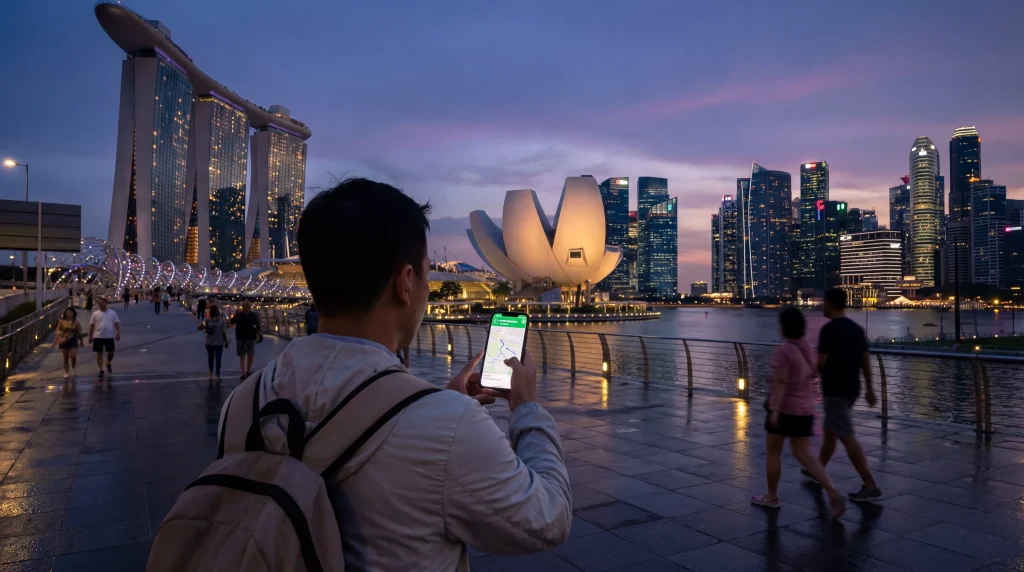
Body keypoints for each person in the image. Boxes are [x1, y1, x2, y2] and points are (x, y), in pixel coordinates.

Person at [217, 178, 571, 569]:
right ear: (405, 283)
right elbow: (548, 518)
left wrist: (442, 404)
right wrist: (527, 408)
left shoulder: (241, 405)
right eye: (424, 273)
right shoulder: (448, 428)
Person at [753, 308, 845, 518]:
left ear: (784, 327)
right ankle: (831, 490)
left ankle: (772, 497)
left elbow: (781, 382)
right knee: (804, 453)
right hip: (806, 408)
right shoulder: (809, 349)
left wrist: (775, 410)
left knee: (773, 451)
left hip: (785, 408)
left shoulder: (783, 350)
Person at [812, 288, 882, 502]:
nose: (821, 305)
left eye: (823, 302)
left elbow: (821, 363)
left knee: (845, 434)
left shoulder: (829, 330)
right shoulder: (857, 329)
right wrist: (870, 388)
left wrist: (806, 375)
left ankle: (870, 484)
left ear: (831, 303)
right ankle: (816, 470)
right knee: (830, 430)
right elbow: (865, 360)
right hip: (853, 387)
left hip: (835, 389)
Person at [88, 296, 120, 377]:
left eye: (102, 303)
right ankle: (101, 369)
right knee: (99, 353)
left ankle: (108, 362)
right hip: (98, 336)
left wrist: (117, 333)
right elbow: (91, 326)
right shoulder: (95, 314)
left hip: (109, 336)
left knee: (111, 352)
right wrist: (90, 336)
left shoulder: (112, 313)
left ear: (106, 303)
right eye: (99, 303)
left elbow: (116, 324)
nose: (100, 304)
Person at [229, 302, 260, 379]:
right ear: (250, 307)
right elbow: (258, 325)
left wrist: (236, 313)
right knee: (250, 354)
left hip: (241, 337)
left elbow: (232, 321)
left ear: (242, 308)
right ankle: (248, 370)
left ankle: (243, 372)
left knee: (242, 356)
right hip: (251, 337)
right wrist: (258, 334)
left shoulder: (239, 315)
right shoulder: (254, 315)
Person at [198, 304, 228, 381]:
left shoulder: (207, 320)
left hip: (209, 343)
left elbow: (199, 327)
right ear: (218, 312)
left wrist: (204, 328)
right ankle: (218, 375)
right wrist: (226, 342)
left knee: (210, 359)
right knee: (218, 359)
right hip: (219, 343)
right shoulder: (221, 321)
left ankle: (210, 374)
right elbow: (224, 332)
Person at [53, 307, 83, 379]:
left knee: (73, 356)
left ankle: (73, 367)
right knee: (65, 357)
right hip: (64, 340)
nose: (69, 314)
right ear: (65, 314)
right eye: (67, 312)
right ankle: (66, 372)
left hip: (73, 340)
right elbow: (57, 330)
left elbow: (79, 332)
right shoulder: (62, 321)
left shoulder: (76, 322)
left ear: (73, 313)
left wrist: (81, 341)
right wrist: (55, 341)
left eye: (70, 312)